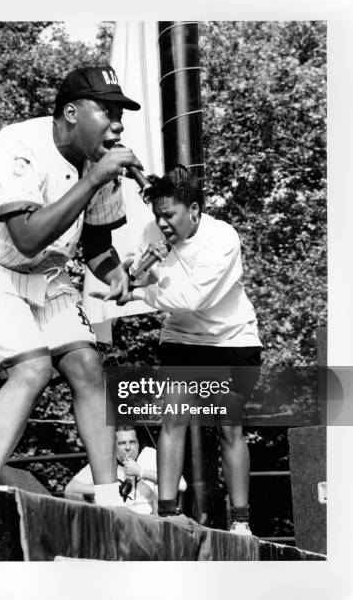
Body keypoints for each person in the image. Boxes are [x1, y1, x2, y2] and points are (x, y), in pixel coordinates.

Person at [0, 65, 144, 507]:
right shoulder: (18, 145)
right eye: (107, 110)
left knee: (88, 366)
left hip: (44, 272)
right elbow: (28, 237)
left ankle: (110, 502)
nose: (118, 123)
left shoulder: (101, 164)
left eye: (121, 113)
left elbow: (96, 245)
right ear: (71, 112)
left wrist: (117, 275)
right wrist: (93, 179)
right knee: (32, 369)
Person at [110, 166, 262, 533]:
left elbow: (194, 298)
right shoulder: (152, 233)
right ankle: (167, 514)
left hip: (231, 340)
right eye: (157, 214)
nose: (161, 223)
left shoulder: (222, 238)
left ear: (194, 211)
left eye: (169, 215)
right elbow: (135, 274)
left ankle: (241, 523)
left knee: (229, 427)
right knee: (173, 417)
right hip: (181, 339)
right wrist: (140, 266)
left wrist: (141, 293)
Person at [64, 426, 187, 514]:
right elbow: (70, 489)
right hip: (118, 518)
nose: (128, 448)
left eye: (132, 442)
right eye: (122, 443)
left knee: (158, 490)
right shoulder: (106, 461)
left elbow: (181, 485)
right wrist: (106, 490)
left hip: (149, 519)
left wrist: (141, 472)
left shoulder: (148, 455)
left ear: (139, 444)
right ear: (113, 445)